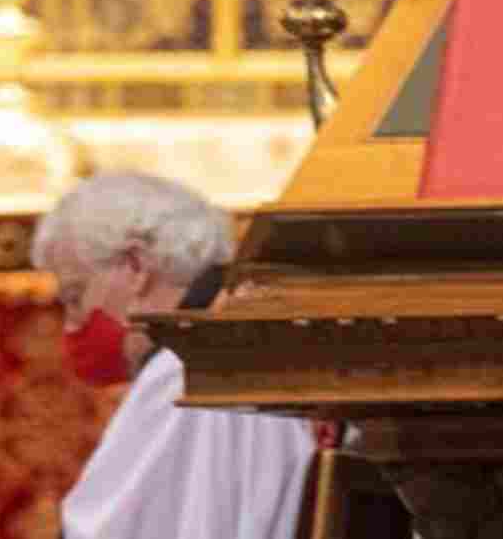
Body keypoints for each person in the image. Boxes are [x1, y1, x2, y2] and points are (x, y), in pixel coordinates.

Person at [31, 170, 317, 539]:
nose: (72, 326)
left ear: (135, 266)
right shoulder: (261, 332)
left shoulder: (183, 371)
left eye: (75, 297)